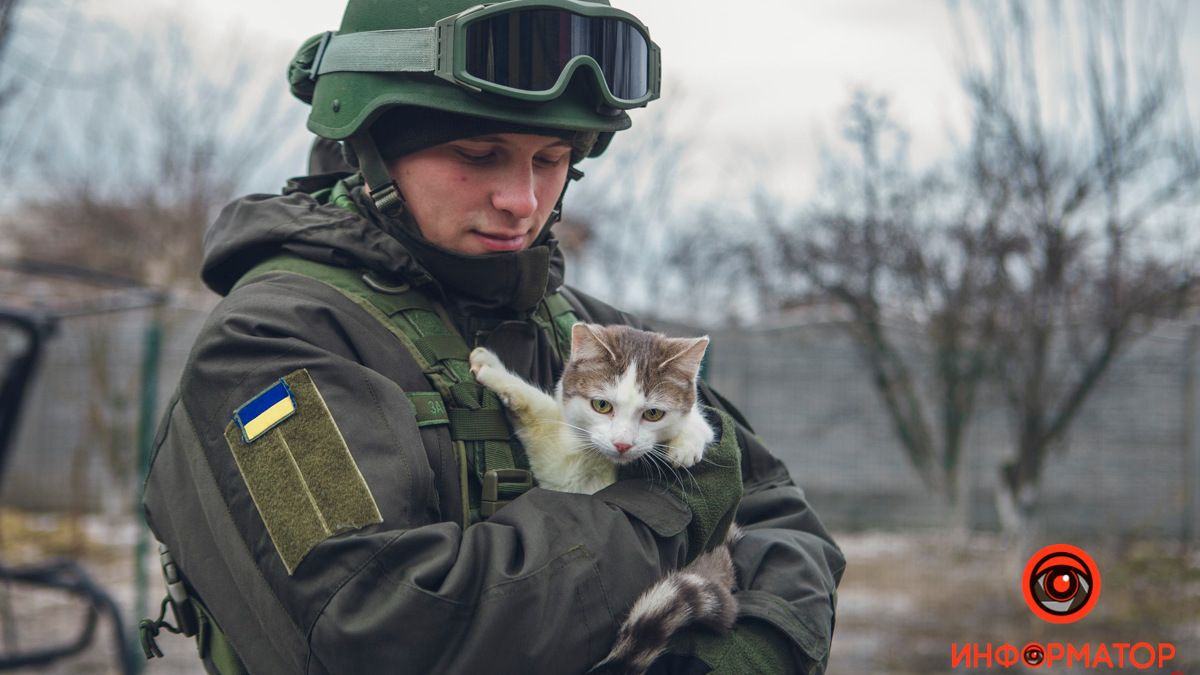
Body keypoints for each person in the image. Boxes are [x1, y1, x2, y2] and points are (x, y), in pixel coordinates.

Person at [140, 1, 845, 673]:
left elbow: (780, 517)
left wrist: (754, 650)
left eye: (551, 157)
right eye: (479, 153)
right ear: (375, 149)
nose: (523, 200)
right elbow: (384, 622)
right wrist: (665, 511)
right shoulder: (270, 342)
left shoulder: (577, 328)